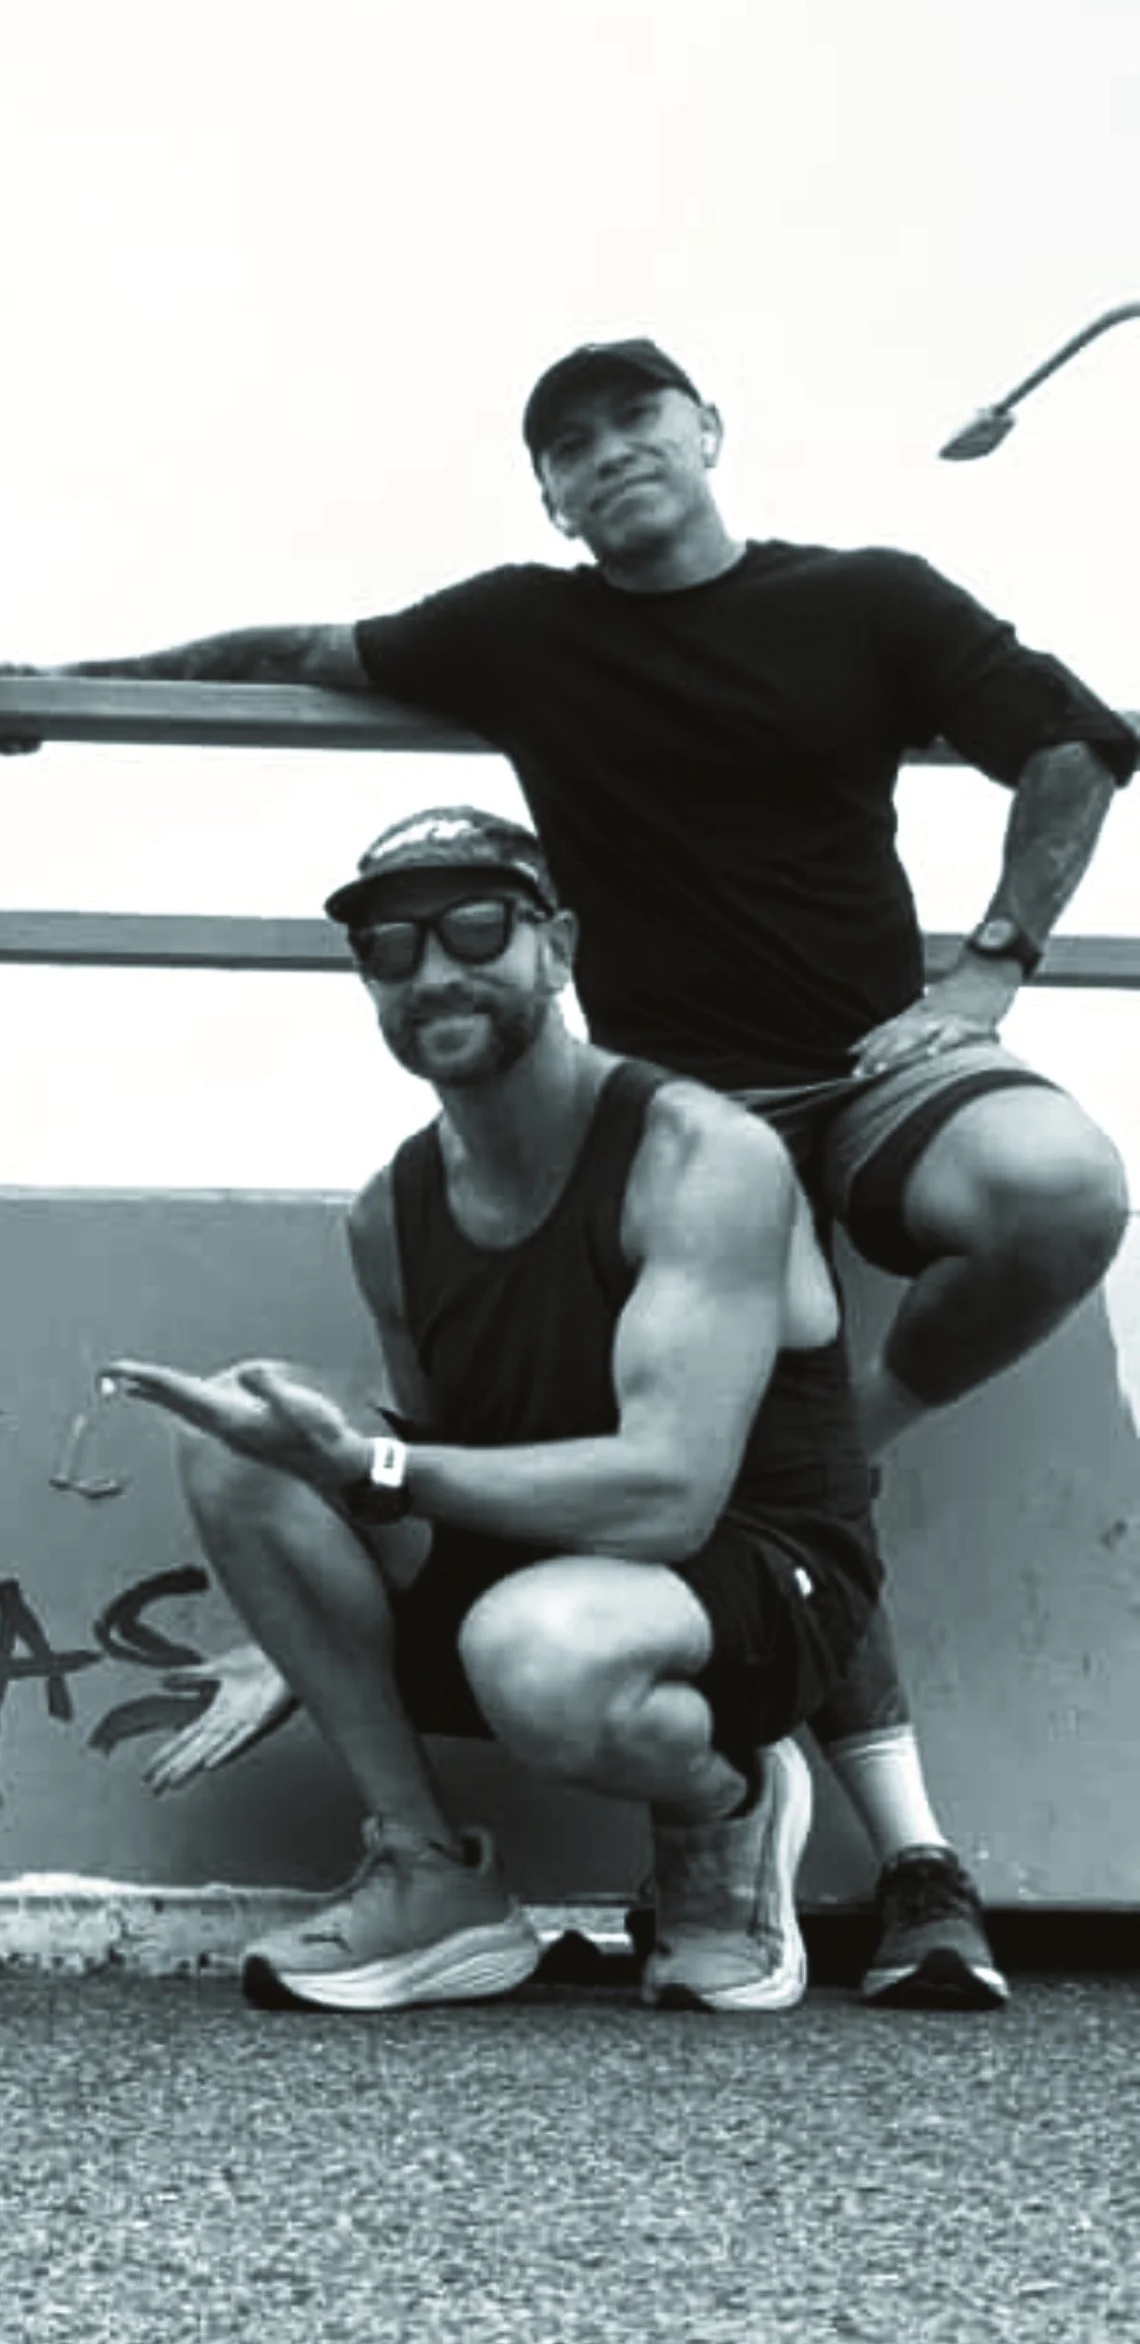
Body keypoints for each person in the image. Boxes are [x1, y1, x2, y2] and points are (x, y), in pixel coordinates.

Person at [0, 337, 1135, 2009]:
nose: (608, 457)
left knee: (1057, 1185)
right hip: (680, 1092)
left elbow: (1073, 741)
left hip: (877, 1056)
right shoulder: (527, 630)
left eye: (635, 423)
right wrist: (75, 686)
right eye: (568, 446)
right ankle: (547, 1866)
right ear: (546, 491)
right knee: (609, 1439)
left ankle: (863, 1473)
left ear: (709, 430)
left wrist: (987, 973)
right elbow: (303, 647)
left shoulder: (867, 600)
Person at [107, 806, 882, 2013]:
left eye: (477, 928)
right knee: (240, 1436)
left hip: (755, 1571)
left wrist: (378, 1475)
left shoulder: (699, 1155)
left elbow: (667, 1495)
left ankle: (722, 1801)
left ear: (557, 948)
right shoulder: (390, 1216)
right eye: (391, 948)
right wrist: (304, 1627)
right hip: (542, 1572)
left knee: (534, 1644)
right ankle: (431, 1872)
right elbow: (451, 1473)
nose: (435, 971)